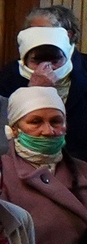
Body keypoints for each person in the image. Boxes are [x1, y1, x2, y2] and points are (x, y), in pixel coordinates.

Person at [0, 86, 85, 244]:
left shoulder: (83, 171)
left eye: (56, 121)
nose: (48, 131)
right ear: (14, 129)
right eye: (35, 122)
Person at [10, 24, 87, 161]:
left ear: (67, 58)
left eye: (55, 61)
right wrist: (35, 91)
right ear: (25, 61)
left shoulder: (83, 78)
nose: (47, 67)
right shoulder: (10, 79)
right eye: (36, 61)